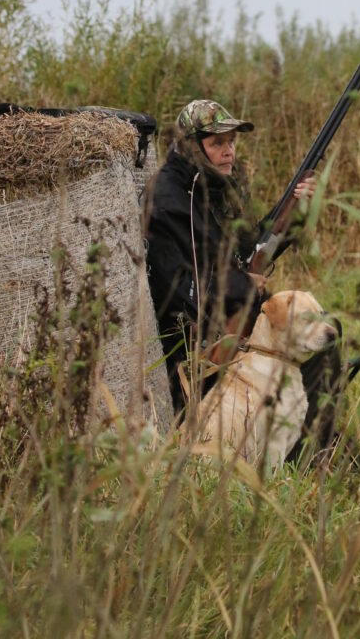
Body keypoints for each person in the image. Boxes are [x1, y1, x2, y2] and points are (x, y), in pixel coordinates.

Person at [143, 99, 342, 455]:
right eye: (217, 143)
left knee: (321, 335)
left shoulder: (220, 188)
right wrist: (241, 284)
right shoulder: (166, 200)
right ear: (192, 147)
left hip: (237, 318)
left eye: (232, 142)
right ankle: (300, 452)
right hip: (197, 347)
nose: (229, 152)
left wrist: (294, 212)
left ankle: (308, 447)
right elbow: (175, 285)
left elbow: (253, 249)